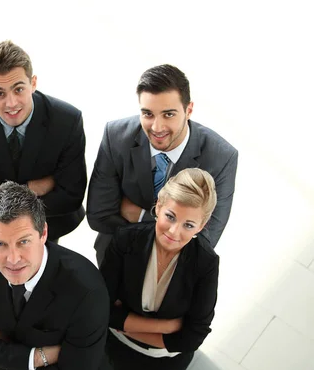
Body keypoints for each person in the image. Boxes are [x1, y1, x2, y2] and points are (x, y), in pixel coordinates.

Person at [0, 181, 121, 370]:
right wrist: (35, 357)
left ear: (43, 233)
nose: (13, 259)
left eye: (23, 242)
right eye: (0, 244)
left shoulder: (87, 289)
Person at [87, 64, 238, 265]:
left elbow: (204, 240)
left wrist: (140, 215)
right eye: (148, 114)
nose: (157, 128)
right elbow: (99, 215)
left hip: (175, 267)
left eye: (168, 114)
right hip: (116, 256)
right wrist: (178, 227)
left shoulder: (221, 157)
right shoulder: (116, 136)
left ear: (189, 110)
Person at [100, 168, 219, 370]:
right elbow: (100, 310)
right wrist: (168, 327)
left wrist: (124, 323)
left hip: (162, 366)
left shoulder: (206, 263)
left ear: (202, 226)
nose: (174, 232)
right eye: (170, 217)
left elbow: (193, 337)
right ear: (158, 206)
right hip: (112, 349)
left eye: (189, 225)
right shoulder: (125, 239)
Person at [0, 40, 87, 242]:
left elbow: (71, 196)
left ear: (33, 83)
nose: (11, 103)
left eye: (18, 89)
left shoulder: (66, 120)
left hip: (48, 225)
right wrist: (30, 189)